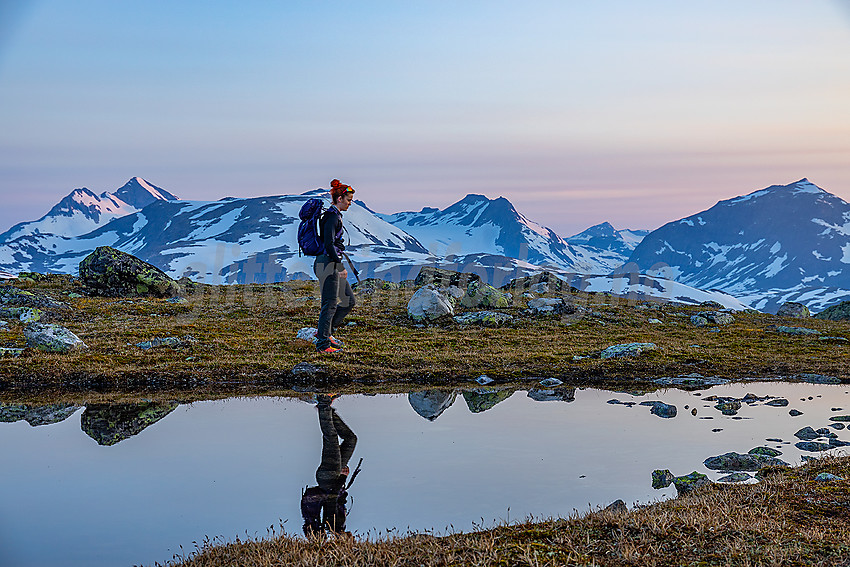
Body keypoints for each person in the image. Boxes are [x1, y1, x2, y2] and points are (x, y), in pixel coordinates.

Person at [301, 394, 358, 536]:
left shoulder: (335, 525)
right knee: (351, 439)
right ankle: (328, 411)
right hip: (331, 477)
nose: (353, 539)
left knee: (330, 437)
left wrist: (343, 478)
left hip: (331, 477)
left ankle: (324, 402)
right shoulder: (336, 526)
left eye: (350, 541)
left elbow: (332, 499)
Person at [314, 179, 356, 353]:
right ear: (339, 199)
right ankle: (323, 344)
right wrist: (340, 267)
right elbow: (329, 244)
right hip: (327, 264)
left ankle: (326, 332)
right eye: (348, 200)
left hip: (330, 262)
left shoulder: (334, 215)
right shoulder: (331, 217)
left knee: (348, 301)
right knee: (330, 304)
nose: (350, 203)